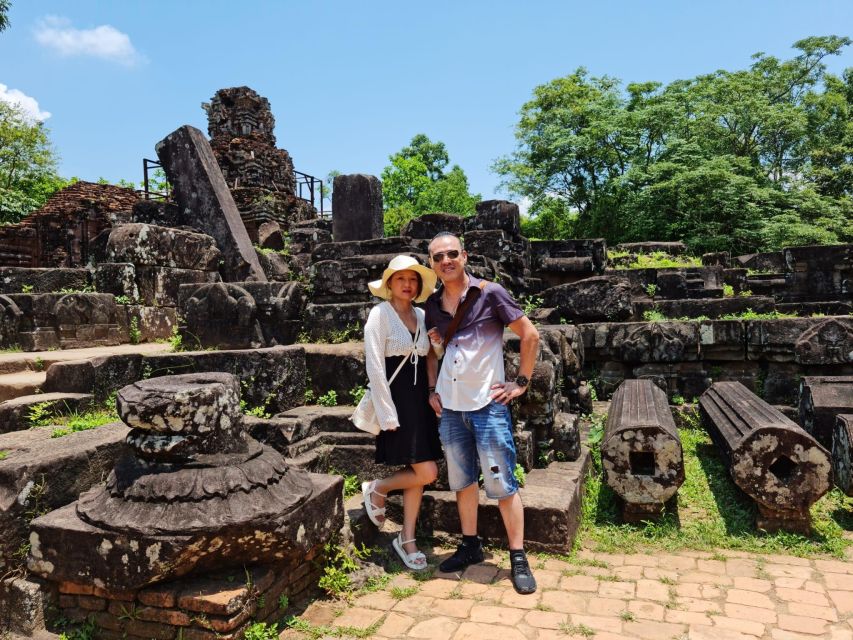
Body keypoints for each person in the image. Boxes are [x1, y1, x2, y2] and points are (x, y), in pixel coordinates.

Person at [425, 232, 540, 594]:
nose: (446, 260)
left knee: (502, 484)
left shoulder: (489, 293)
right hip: (451, 406)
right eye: (438, 256)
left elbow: (529, 334)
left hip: (487, 405)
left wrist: (520, 381)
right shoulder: (432, 303)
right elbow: (432, 351)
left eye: (452, 253)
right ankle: (470, 545)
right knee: (462, 483)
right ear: (432, 263)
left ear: (465, 256)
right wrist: (432, 389)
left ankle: (518, 556)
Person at [360, 255, 443, 571]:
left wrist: (433, 390)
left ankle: (406, 539)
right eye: (400, 279)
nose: (407, 285)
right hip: (396, 401)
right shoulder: (379, 315)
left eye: (413, 279)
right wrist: (386, 412)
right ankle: (378, 487)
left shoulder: (422, 315)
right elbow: (375, 367)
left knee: (420, 473)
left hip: (420, 400)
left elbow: (431, 358)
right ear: (389, 284)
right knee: (427, 471)